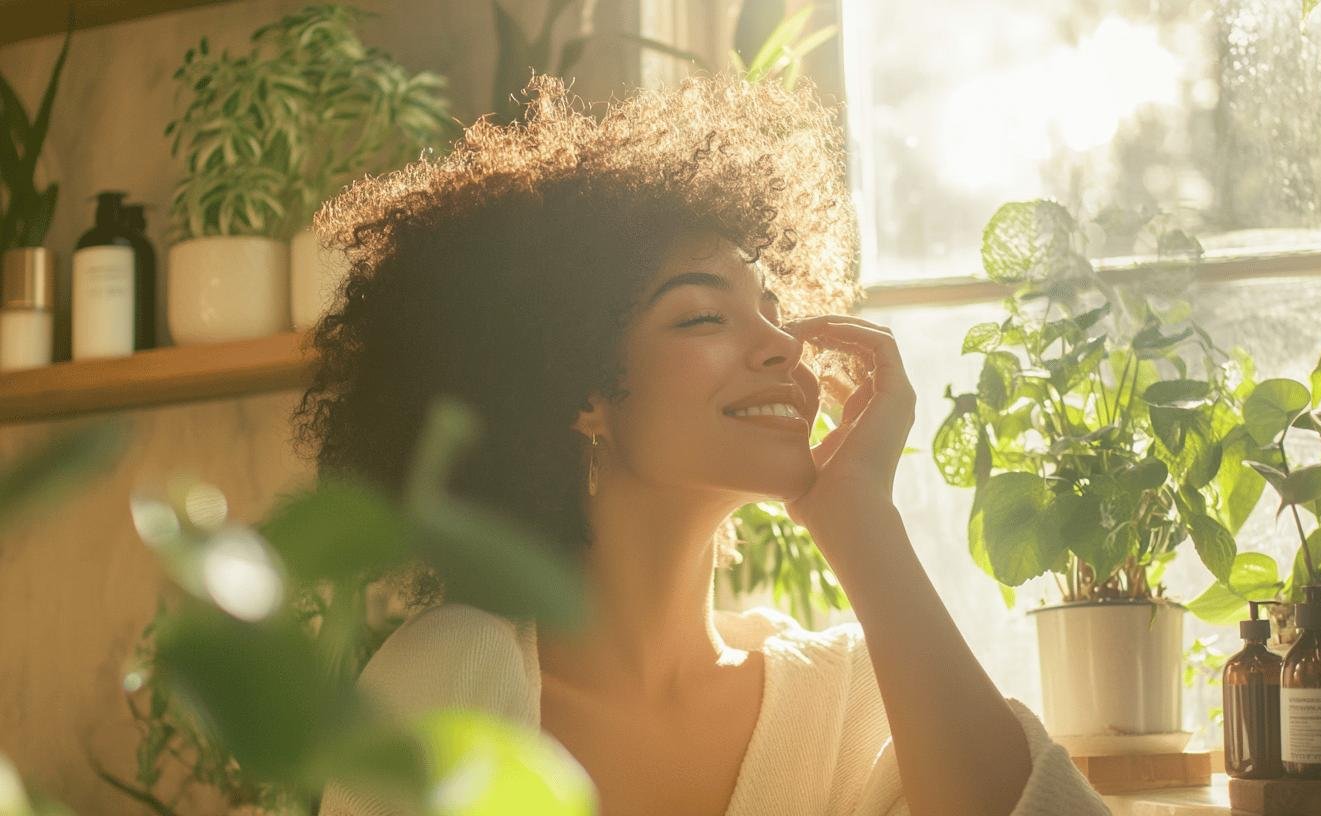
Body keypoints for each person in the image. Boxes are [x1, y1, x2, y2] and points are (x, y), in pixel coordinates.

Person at [302, 72, 1108, 816]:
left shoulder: (846, 694)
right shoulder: (455, 676)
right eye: (703, 316)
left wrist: (862, 523)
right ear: (579, 392)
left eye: (773, 308)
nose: (784, 346)